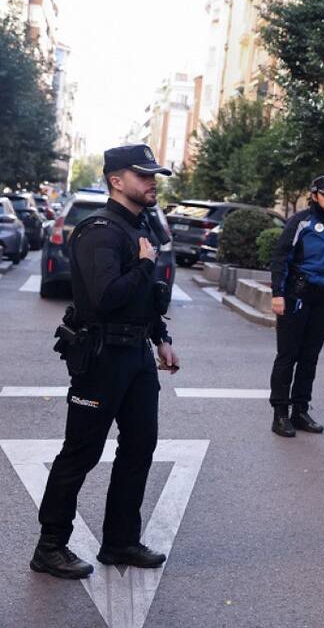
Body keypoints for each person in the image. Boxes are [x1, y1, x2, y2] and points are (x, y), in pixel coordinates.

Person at [32, 144, 181, 580]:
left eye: (155, 175)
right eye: (144, 175)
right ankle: (50, 546)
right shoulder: (99, 230)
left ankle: (120, 542)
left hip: (136, 356)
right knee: (80, 453)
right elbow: (106, 296)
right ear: (116, 180)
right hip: (101, 357)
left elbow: (142, 298)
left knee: (139, 448)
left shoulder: (140, 226)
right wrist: (143, 263)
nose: (153, 182)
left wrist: (161, 338)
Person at [268, 175, 324, 437]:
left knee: (310, 357)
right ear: (315, 195)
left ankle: (300, 410)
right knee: (288, 355)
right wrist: (277, 294)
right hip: (297, 295)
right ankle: (280, 413)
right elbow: (281, 257)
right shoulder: (301, 222)